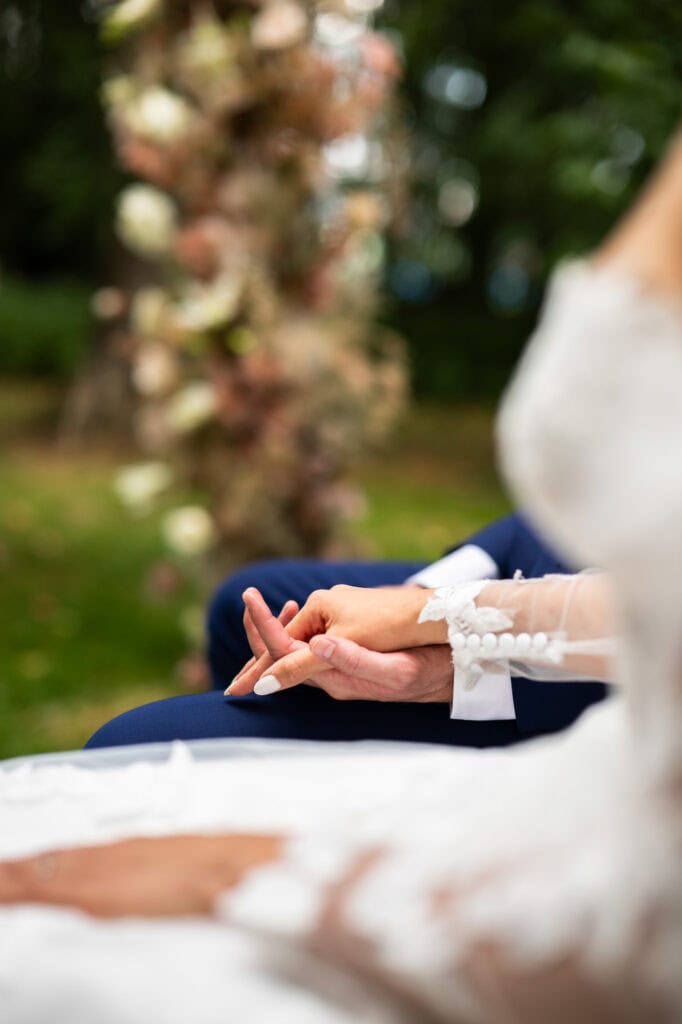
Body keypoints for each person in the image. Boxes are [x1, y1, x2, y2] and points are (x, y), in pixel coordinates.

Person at [2, 132, 682, 1022]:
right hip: (575, 597)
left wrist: (442, 629)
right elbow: (555, 520)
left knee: (127, 755)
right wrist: (433, 620)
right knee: (245, 607)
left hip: (615, 735)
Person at [85, 511, 608, 749]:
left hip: (591, 686)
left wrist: (450, 657)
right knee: (239, 601)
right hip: (546, 556)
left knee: (130, 745)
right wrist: (419, 591)